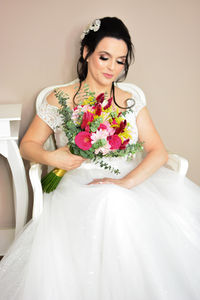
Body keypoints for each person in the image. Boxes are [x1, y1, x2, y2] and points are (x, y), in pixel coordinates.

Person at [0, 16, 200, 300]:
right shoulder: (61, 98)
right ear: (86, 52)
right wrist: (54, 158)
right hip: (78, 183)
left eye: (120, 61)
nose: (112, 68)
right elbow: (27, 146)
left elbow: (158, 151)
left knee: (115, 200)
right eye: (105, 57)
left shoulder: (130, 99)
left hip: (128, 181)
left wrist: (126, 183)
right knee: (108, 201)